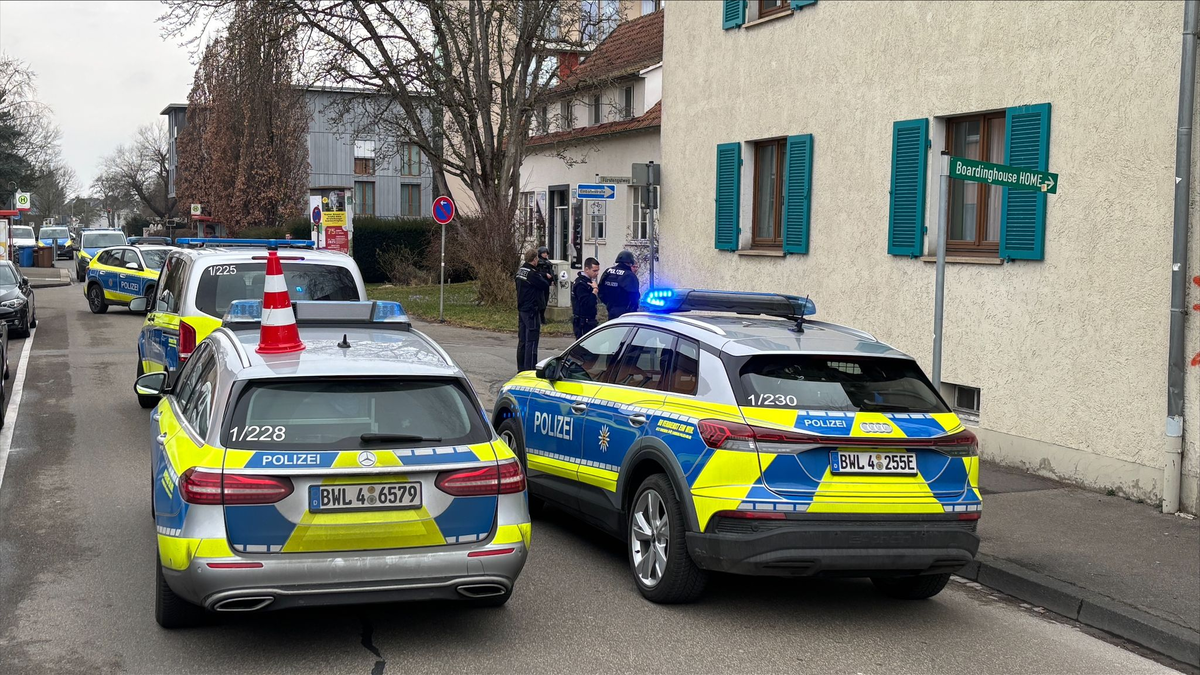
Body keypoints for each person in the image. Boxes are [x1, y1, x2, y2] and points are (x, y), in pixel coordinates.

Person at [515, 248, 552, 371]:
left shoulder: (520, 271)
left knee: (523, 341)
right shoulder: (532, 274)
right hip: (531, 310)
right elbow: (544, 284)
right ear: (535, 259)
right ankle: (530, 370)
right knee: (532, 341)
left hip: (522, 309)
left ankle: (521, 369)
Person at [598, 250, 641, 319]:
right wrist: (631, 309)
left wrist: (609, 304)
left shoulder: (608, 272)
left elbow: (600, 290)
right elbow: (634, 296)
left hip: (611, 309)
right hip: (625, 312)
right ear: (629, 263)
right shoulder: (629, 275)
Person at [571, 257, 601, 339]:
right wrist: (595, 290)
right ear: (587, 269)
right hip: (583, 322)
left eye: (598, 270)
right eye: (594, 271)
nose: (597, 273)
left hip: (588, 320)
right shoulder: (581, 284)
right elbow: (587, 303)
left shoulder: (588, 281)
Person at [536, 246, 554, 323]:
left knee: (545, 301)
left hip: (547, 283)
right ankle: (540, 317)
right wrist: (545, 274)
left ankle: (542, 317)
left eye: (546, 253)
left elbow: (551, 272)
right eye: (543, 253)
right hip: (541, 283)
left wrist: (552, 280)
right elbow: (537, 272)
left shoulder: (548, 262)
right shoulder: (538, 262)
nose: (545, 254)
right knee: (541, 301)